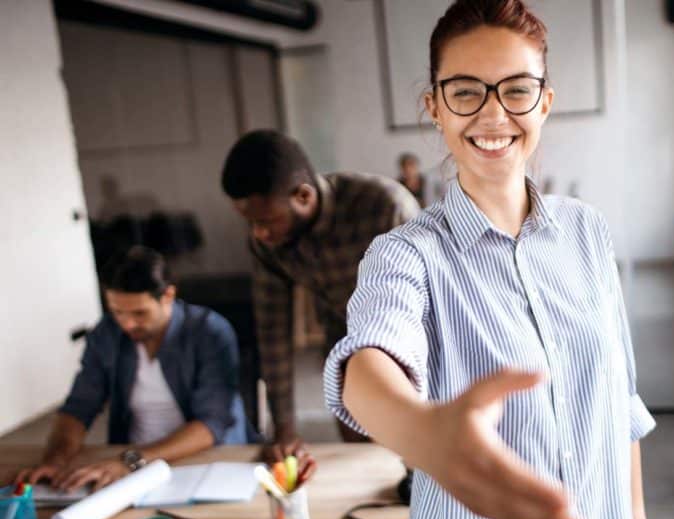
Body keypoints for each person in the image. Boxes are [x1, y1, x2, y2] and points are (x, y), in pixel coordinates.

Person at [323, 1, 655, 519]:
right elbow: (368, 366)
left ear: (544, 102)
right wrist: (423, 432)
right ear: (435, 107)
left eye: (517, 90)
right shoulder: (405, 255)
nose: (494, 114)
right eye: (466, 91)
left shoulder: (587, 231)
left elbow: (621, 404)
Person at [221, 131, 420, 465]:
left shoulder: (383, 206)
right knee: (360, 463)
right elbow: (273, 334)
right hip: (344, 347)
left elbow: (435, 301)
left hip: (411, 345)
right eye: (250, 223)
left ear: (303, 195)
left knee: (415, 459)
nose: (259, 234)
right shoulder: (266, 243)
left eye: (267, 221)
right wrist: (283, 427)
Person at [14, 246, 250, 492]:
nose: (127, 323)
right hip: (131, 461)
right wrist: (55, 460)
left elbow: (213, 423)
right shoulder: (106, 333)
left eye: (140, 313)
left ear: (168, 295)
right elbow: (79, 407)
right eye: (117, 311)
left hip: (200, 458)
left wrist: (131, 461)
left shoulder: (209, 332)